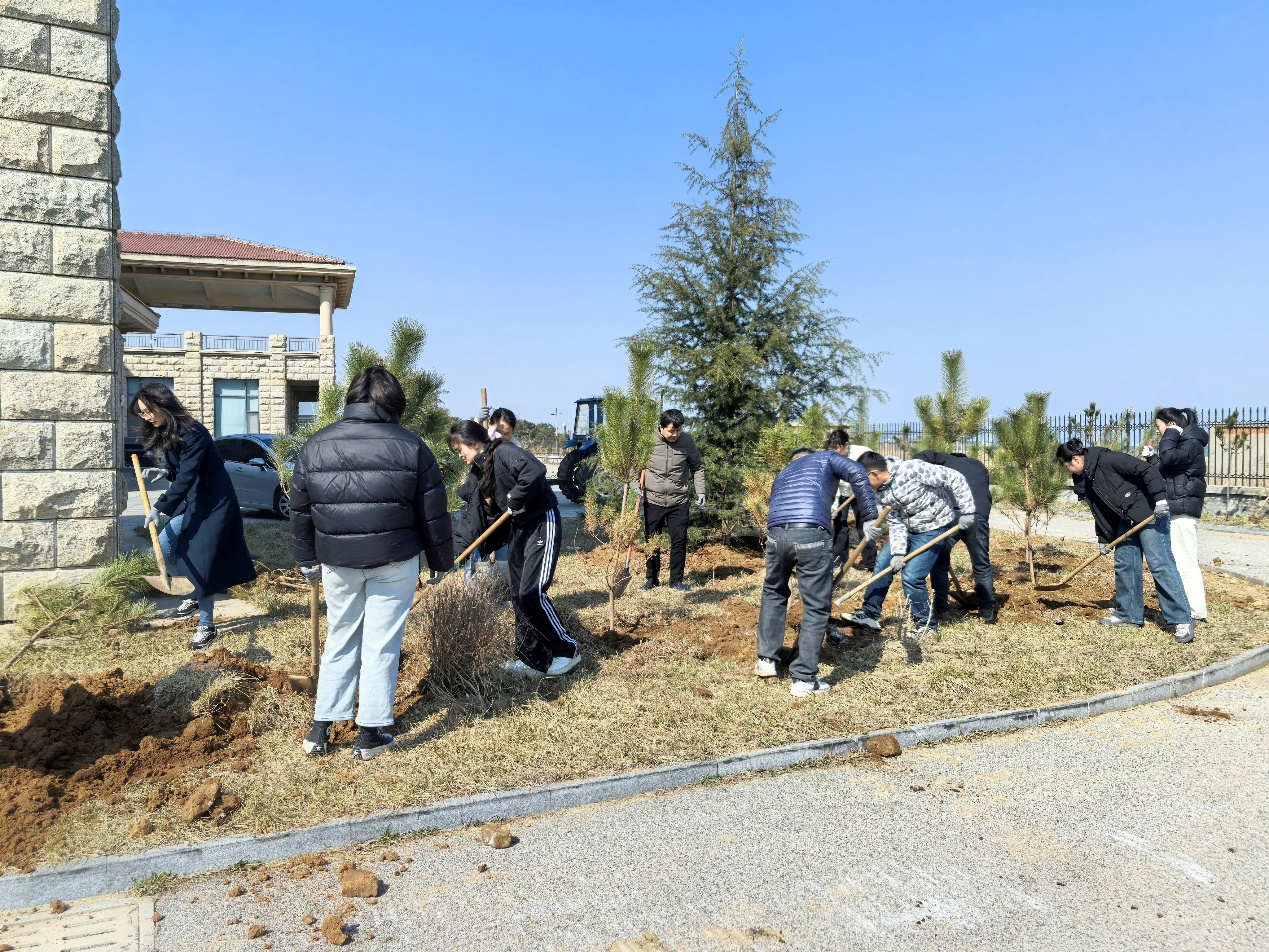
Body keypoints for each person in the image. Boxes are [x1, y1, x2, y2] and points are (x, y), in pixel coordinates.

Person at [290, 367, 455, 760]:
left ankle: (320, 730)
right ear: (394, 403)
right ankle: (370, 734)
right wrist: (440, 561)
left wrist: (306, 558)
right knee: (382, 644)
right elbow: (432, 512)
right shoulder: (412, 445)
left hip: (338, 562)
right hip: (394, 559)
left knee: (341, 637)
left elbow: (300, 510)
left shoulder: (316, 444)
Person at [449, 419, 581, 678]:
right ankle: (531, 659)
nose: (460, 455)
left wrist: (515, 498)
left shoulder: (504, 451)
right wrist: (457, 550)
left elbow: (534, 470)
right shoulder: (479, 470)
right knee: (518, 595)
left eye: (459, 449)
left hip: (541, 521)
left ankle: (567, 650)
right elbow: (474, 514)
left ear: (474, 443)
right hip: (518, 528)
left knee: (532, 592)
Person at [130, 383, 256, 651]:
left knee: (200, 560)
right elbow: (181, 471)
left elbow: (188, 474)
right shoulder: (167, 430)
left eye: (148, 410)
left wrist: (160, 506)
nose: (146, 417)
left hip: (214, 503)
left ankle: (207, 626)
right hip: (194, 501)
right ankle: (192, 591)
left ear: (163, 404)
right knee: (166, 544)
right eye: (142, 413)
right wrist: (165, 473)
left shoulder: (193, 431)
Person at [756, 446, 877, 697]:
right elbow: (857, 472)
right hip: (810, 533)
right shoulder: (826, 457)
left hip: (776, 535)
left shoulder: (783, 473)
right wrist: (869, 518)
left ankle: (766, 660)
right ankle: (804, 679)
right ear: (812, 456)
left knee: (773, 592)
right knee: (816, 605)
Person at [1056, 438, 1195, 643]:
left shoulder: (1107, 459)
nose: (1068, 470)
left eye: (1067, 466)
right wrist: (1103, 537)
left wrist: (1160, 499)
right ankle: (1128, 614)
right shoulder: (1085, 478)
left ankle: (1181, 619)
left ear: (1075, 459)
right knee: (1125, 563)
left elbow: (1147, 470)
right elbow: (1099, 510)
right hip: (1126, 519)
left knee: (1160, 565)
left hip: (1149, 512)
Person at [845, 453, 976, 636]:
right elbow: (895, 521)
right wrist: (898, 552)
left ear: (874, 474)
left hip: (934, 527)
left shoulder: (913, 470)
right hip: (908, 528)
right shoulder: (880, 491)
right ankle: (870, 613)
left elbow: (954, 477)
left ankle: (925, 625)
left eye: (864, 481)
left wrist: (967, 510)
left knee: (912, 576)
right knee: (882, 563)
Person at [914, 449, 997, 623]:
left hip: (951, 513)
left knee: (939, 563)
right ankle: (987, 611)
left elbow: (924, 455)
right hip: (978, 515)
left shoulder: (942, 459)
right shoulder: (979, 465)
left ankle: (942, 610)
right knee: (981, 563)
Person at [1144, 408, 1208, 623]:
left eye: (1159, 426)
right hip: (1175, 507)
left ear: (1170, 424)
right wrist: (1152, 458)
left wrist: (1171, 433)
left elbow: (1170, 457)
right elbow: (1165, 468)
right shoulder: (1183, 443)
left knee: (1185, 560)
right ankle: (1186, 606)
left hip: (1183, 509)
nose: (1158, 431)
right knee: (1177, 559)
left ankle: (1196, 610)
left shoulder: (1192, 443)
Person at [641, 409, 707, 592]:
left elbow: (697, 466)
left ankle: (676, 581)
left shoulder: (687, 441)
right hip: (653, 500)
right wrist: (634, 485)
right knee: (652, 541)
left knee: (679, 541)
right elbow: (635, 464)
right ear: (661, 427)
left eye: (678, 430)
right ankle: (652, 579)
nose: (675, 434)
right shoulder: (648, 441)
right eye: (671, 431)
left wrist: (701, 491)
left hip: (679, 501)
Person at [825, 428, 877, 573]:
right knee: (839, 525)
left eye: (837, 447)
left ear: (846, 445)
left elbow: (873, 472)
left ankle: (870, 562)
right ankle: (840, 560)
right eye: (832, 447)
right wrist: (834, 507)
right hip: (842, 492)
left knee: (864, 525)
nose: (834, 451)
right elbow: (834, 482)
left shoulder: (862, 453)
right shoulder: (831, 458)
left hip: (859, 492)